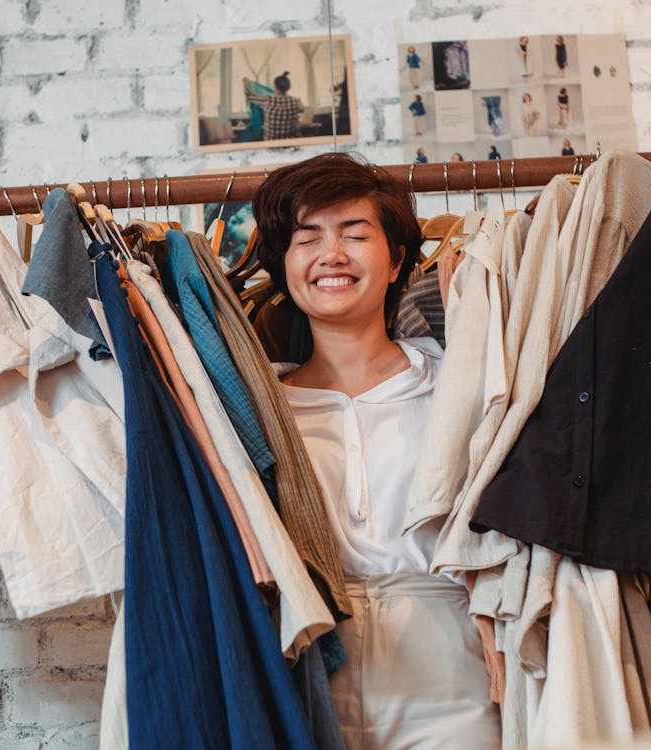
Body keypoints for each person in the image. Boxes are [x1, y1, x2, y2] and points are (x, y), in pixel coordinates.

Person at [252, 152, 500, 748]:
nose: (331, 255)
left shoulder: (457, 382)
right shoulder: (255, 405)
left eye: (355, 234)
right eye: (307, 238)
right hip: (306, 659)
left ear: (395, 264)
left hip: (447, 664)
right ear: (284, 266)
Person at [243, 71, 305, 141]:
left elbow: (250, 96)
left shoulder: (267, 100)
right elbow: (302, 110)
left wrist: (246, 83)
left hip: (272, 145)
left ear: (275, 87)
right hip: (291, 143)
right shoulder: (297, 101)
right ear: (289, 88)